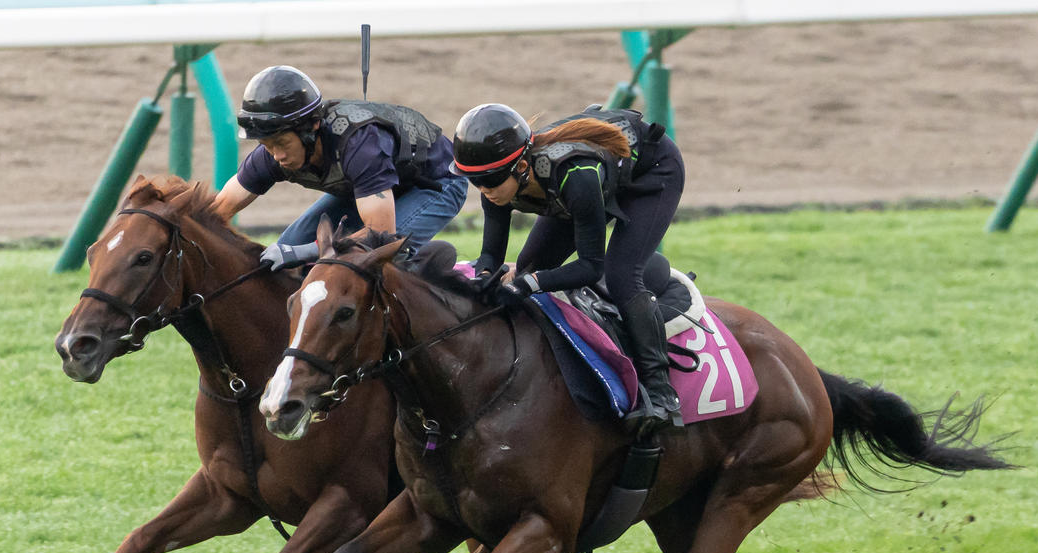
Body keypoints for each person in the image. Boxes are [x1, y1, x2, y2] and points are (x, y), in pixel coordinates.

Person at [450, 103, 685, 435]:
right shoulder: (498, 182)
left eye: (489, 180)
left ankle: (662, 393)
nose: (484, 191)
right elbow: (490, 254)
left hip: (652, 171)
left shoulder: (576, 178)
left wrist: (529, 283)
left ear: (521, 166)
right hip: (592, 182)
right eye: (474, 182)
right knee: (529, 269)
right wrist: (485, 279)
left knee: (621, 275)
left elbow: (590, 266)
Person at [212, 65, 468, 269]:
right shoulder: (272, 152)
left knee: (374, 257)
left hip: (436, 182)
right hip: (370, 190)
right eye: (267, 145)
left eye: (281, 143)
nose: (277, 156)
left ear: (311, 127)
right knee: (287, 247)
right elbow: (216, 212)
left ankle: (432, 266)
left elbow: (381, 233)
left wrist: (305, 252)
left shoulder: (360, 145)